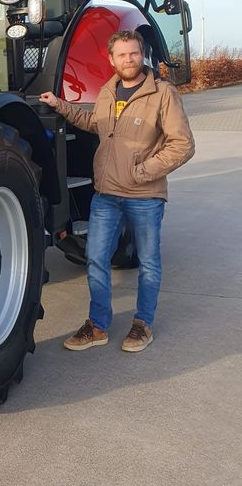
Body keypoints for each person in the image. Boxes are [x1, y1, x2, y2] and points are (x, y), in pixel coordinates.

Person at [39, 29, 194, 352]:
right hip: (106, 195)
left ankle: (142, 324)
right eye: (122, 55)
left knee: (149, 263)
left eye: (134, 53)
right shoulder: (109, 91)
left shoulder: (162, 93)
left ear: (142, 55)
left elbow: (183, 145)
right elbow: (95, 123)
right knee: (96, 260)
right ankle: (97, 325)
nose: (129, 59)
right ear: (111, 60)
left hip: (145, 196)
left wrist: (143, 171)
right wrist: (60, 105)